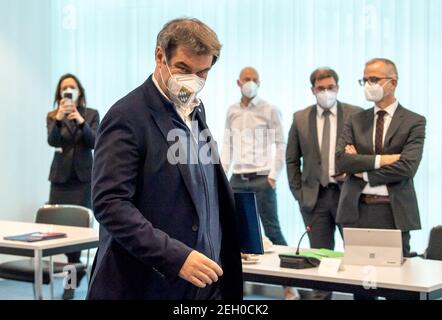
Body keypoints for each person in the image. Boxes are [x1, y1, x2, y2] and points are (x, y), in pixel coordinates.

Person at [87, 18, 242, 300]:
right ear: (160, 57)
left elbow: (200, 187)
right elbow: (110, 204)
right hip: (148, 282)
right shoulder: (127, 116)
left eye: (202, 73)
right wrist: (176, 257)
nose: (192, 80)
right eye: (183, 68)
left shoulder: (196, 109)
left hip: (202, 284)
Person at [335, 58, 426, 299]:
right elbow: (342, 161)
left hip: (393, 212)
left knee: (398, 286)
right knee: (362, 287)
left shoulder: (414, 121)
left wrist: (361, 168)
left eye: (373, 79)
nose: (368, 84)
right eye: (364, 79)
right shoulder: (355, 119)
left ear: (392, 82)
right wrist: (383, 160)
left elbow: (407, 167)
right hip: (357, 211)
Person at [286, 67, 362, 300]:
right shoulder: (300, 118)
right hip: (315, 198)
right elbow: (291, 159)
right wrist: (299, 193)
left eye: (331, 87)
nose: (326, 92)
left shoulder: (356, 114)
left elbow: (364, 155)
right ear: (313, 90)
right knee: (319, 260)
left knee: (357, 257)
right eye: (321, 88)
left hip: (347, 196)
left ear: (337, 88)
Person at [221, 67, 297, 300]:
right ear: (238, 82)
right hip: (237, 179)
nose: (250, 83)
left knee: (273, 231)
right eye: (247, 79)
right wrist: (222, 175)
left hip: (262, 178)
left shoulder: (270, 109)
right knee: (235, 236)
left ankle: (289, 286)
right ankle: (236, 286)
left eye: (255, 80)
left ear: (260, 83)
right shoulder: (232, 111)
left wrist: (273, 175)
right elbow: (227, 144)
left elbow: (281, 143)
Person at [46, 73, 100, 299]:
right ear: (59, 93)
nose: (68, 91)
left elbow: (95, 141)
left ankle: (71, 283)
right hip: (60, 179)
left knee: (78, 233)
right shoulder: (52, 116)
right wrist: (59, 119)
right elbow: (52, 141)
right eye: (64, 88)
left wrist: (79, 120)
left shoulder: (90, 114)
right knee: (60, 231)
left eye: (72, 87)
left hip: (83, 180)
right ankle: (74, 275)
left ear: (79, 91)